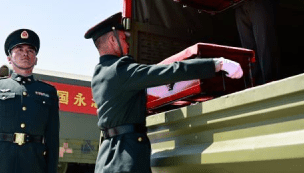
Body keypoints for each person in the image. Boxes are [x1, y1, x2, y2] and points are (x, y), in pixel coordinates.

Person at [85, 12, 244, 173]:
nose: (127, 44)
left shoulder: (98, 76)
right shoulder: (120, 69)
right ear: (113, 40)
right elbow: (169, 71)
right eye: (124, 39)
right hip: (125, 159)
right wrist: (216, 64)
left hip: (106, 159)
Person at [0, 29, 59, 173]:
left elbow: (53, 141)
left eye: (31, 50)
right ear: (9, 58)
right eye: (19, 49)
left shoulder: (48, 92)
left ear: (36, 59)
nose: (25, 54)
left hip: (33, 164)